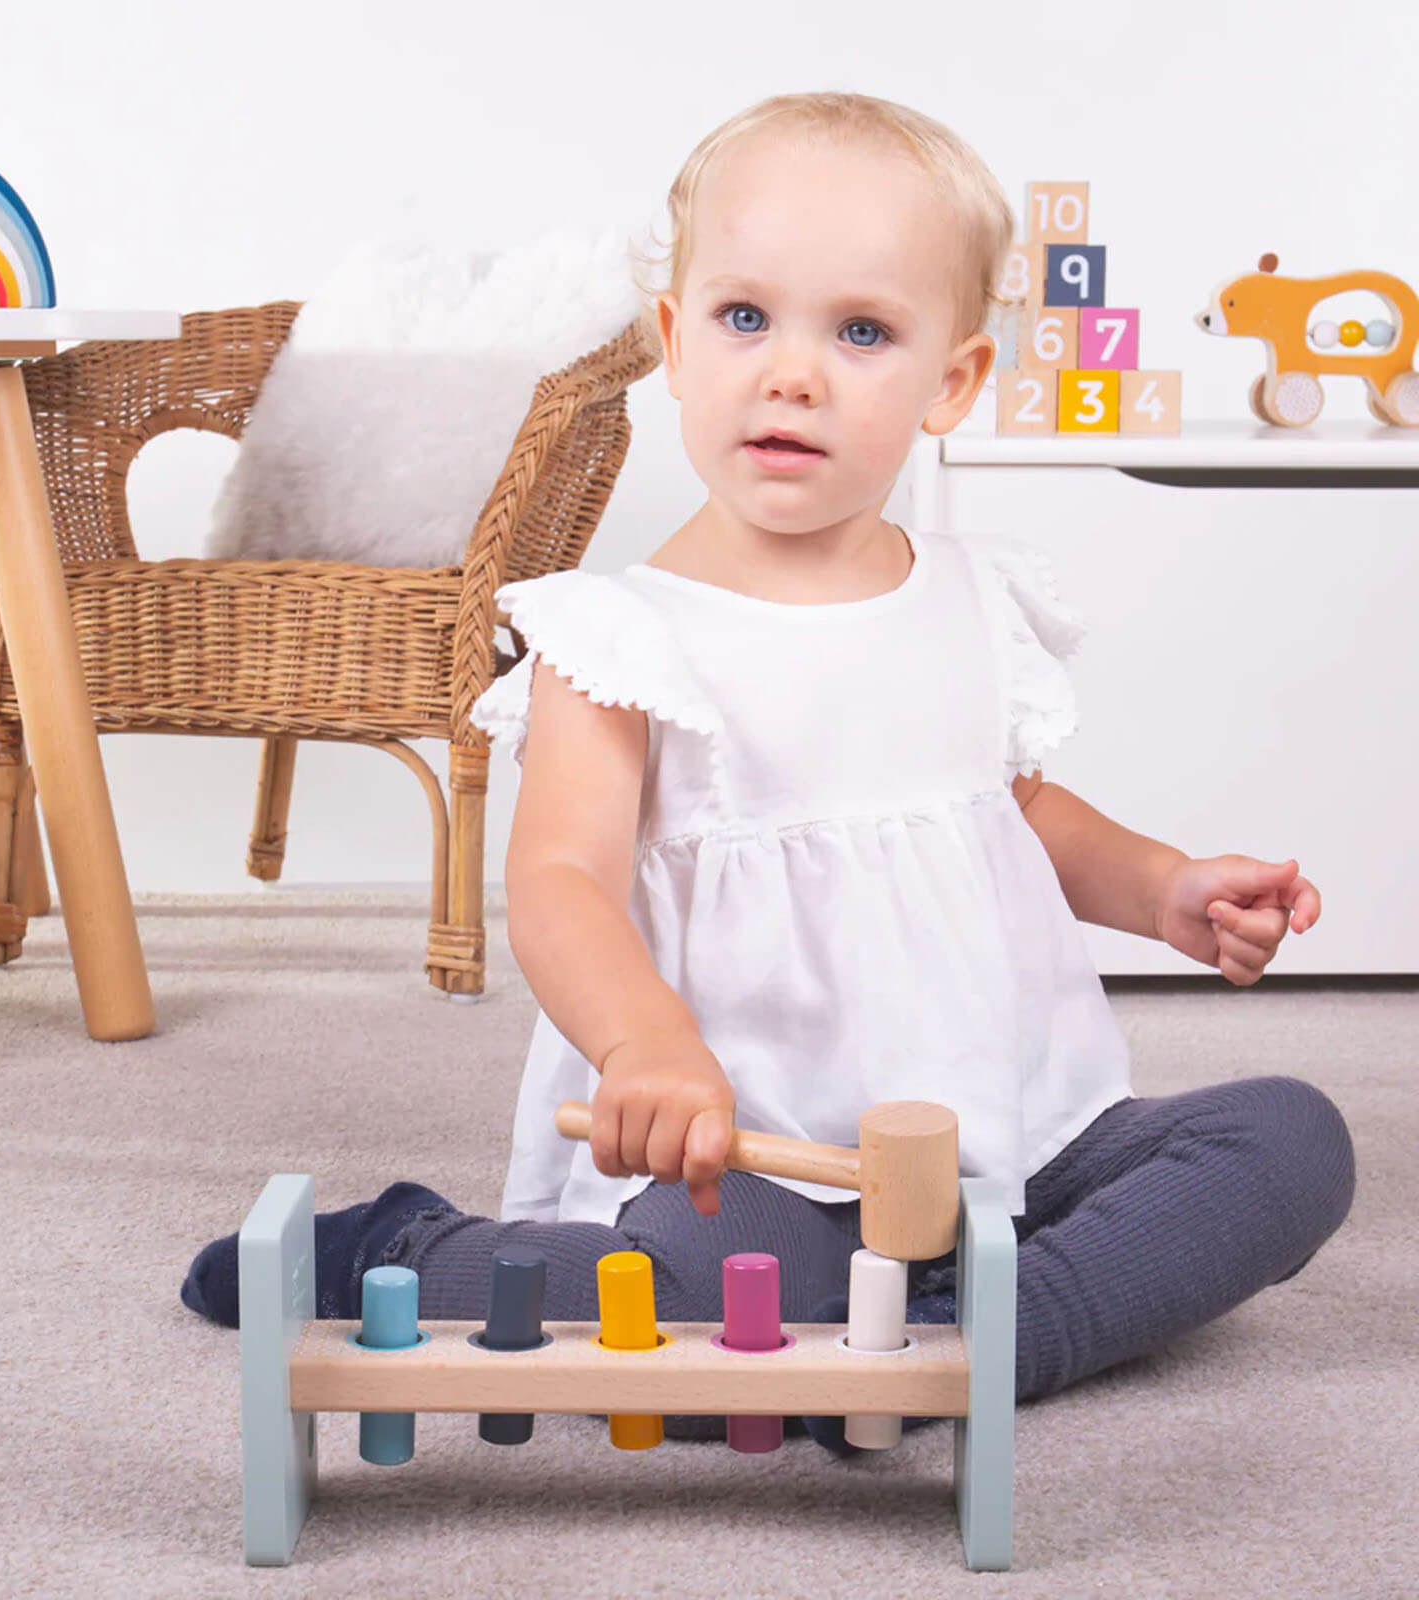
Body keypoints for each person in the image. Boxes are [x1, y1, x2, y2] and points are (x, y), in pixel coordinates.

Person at [181, 91, 1355, 1449]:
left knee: (1291, 1140)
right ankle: (418, 1247)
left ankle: (1001, 1328)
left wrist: (1162, 887)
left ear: (953, 383)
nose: (793, 373)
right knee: (725, 1311)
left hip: (1010, 1139)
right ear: (677, 344)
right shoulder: (621, 634)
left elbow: (1014, 810)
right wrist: (647, 1046)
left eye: (861, 333)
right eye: (747, 319)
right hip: (749, 1156)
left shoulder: (970, 597)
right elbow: (560, 879)